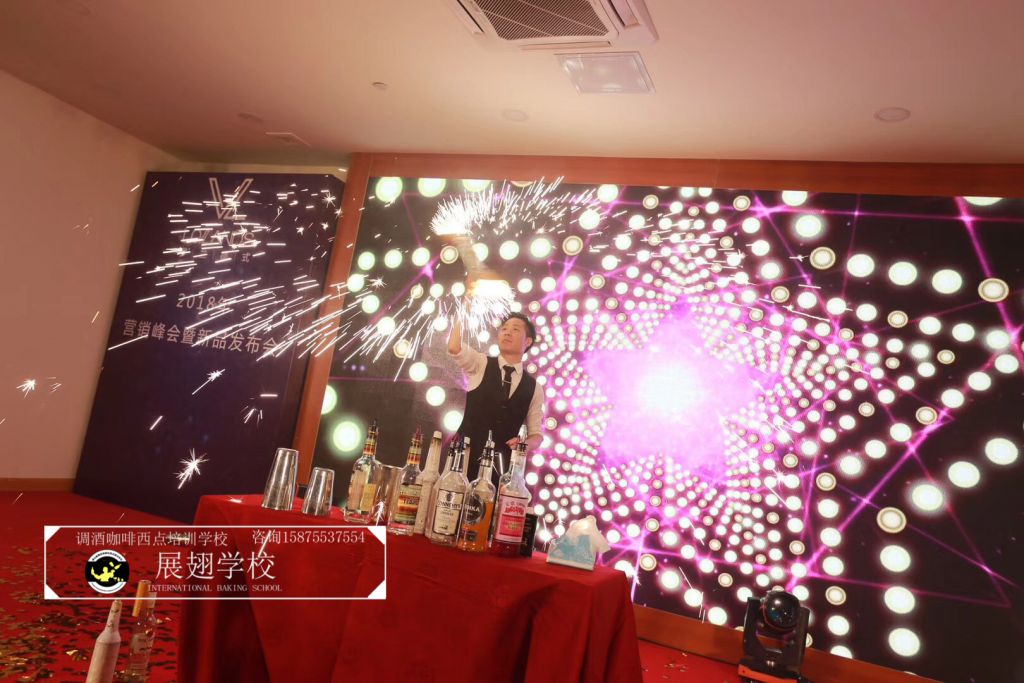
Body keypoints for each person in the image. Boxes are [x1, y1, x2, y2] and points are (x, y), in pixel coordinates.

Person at [447, 302, 543, 475]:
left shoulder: (534, 387)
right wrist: (465, 308)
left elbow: (536, 435)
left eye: (515, 329)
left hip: (501, 469)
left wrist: (524, 445)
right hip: (463, 460)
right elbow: (454, 347)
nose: (507, 332)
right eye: (504, 328)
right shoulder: (481, 362)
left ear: (528, 341)